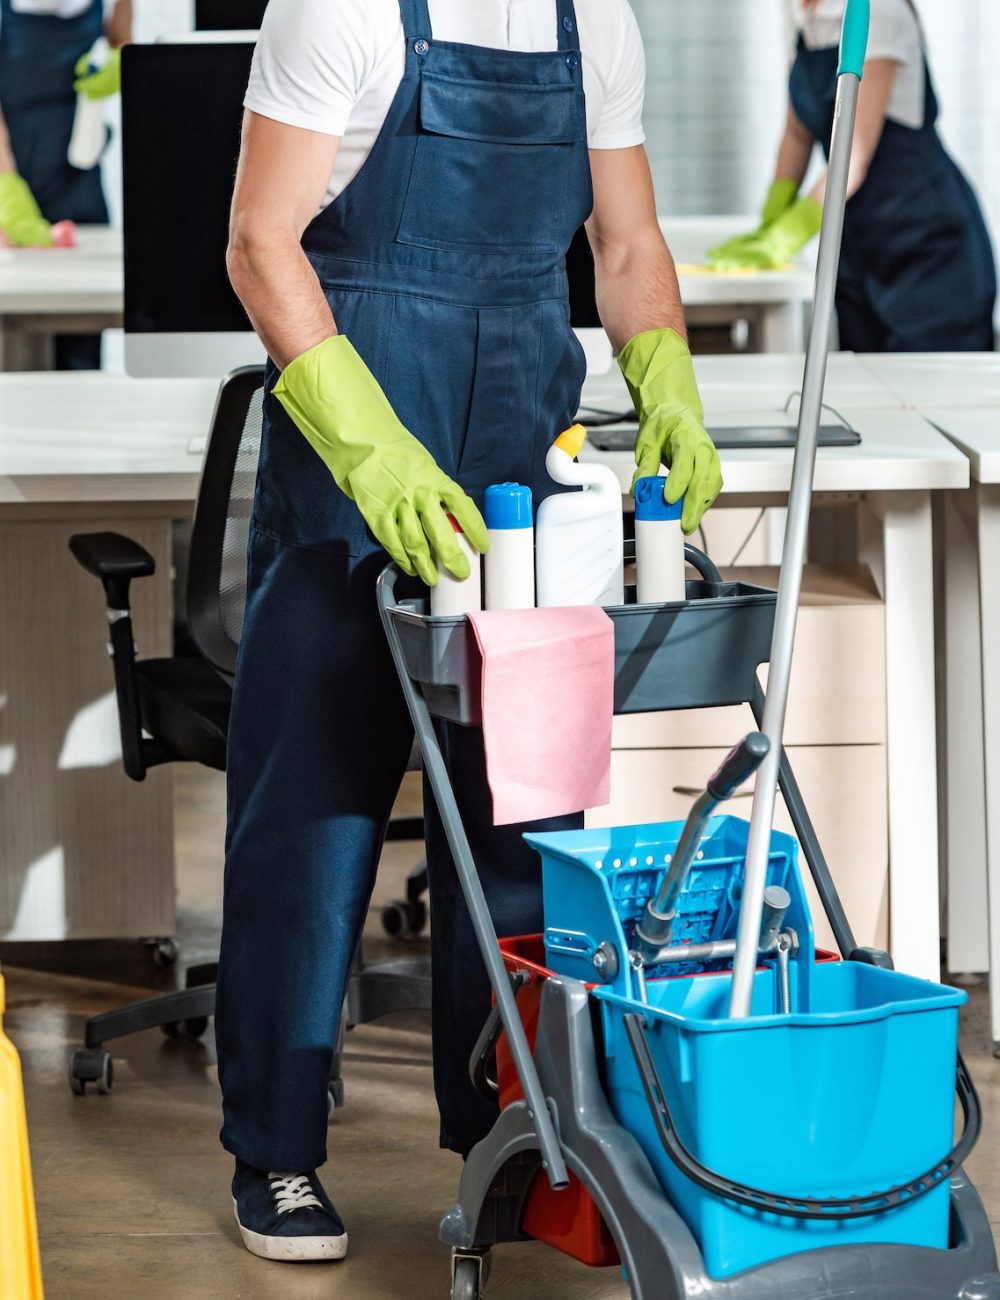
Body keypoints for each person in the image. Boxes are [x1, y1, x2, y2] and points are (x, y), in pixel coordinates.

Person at [218, 0, 723, 1263]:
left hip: (518, 452)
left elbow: (626, 237)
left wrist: (667, 377)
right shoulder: (334, 10)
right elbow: (259, 242)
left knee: (521, 806)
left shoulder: (592, 22)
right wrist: (374, 450)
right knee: (318, 801)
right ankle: (273, 1151)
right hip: (357, 440)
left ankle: (507, 1132)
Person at [710, 0, 996, 352]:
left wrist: (787, 236)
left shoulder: (877, 9)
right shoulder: (800, 12)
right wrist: (771, 218)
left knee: (927, 392)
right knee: (864, 389)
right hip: (860, 245)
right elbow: (797, 132)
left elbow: (853, 156)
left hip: (928, 249)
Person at [0, 0, 128, 368]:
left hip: (78, 181)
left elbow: (121, 41)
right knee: (15, 340)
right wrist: (6, 186)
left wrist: (121, 64)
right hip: (14, 175)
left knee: (81, 342)